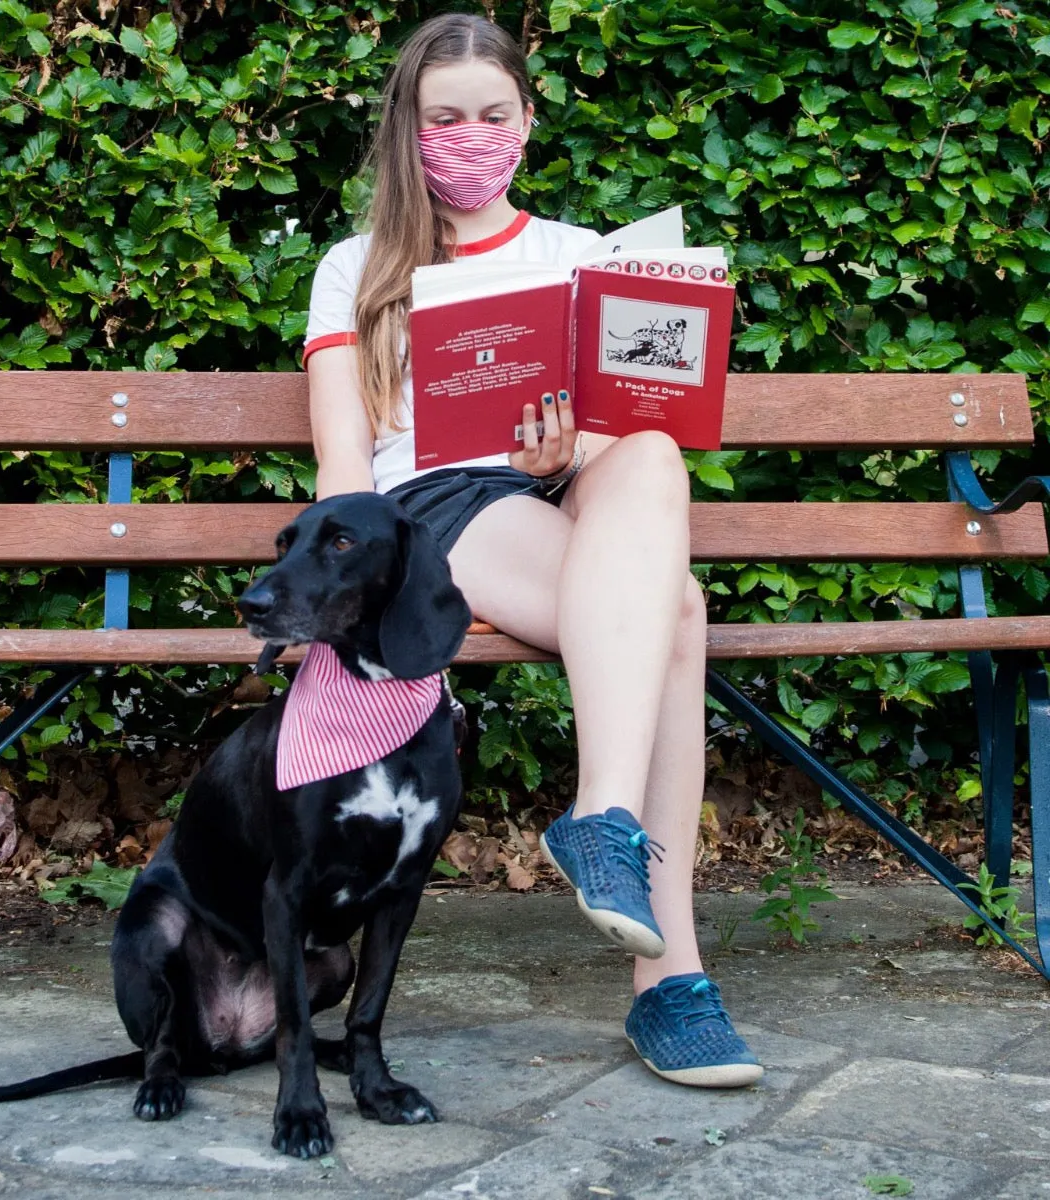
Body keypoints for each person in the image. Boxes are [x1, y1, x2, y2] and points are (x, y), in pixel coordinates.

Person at [303, 11, 761, 1089]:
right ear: (407, 129)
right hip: (436, 511)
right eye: (444, 117)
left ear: (527, 120)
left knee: (649, 450)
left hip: (560, 494)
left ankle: (601, 819)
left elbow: (623, 421)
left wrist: (568, 443)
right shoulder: (355, 267)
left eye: (492, 114)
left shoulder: (580, 255)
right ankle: (672, 982)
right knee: (680, 613)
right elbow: (343, 472)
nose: (471, 135)